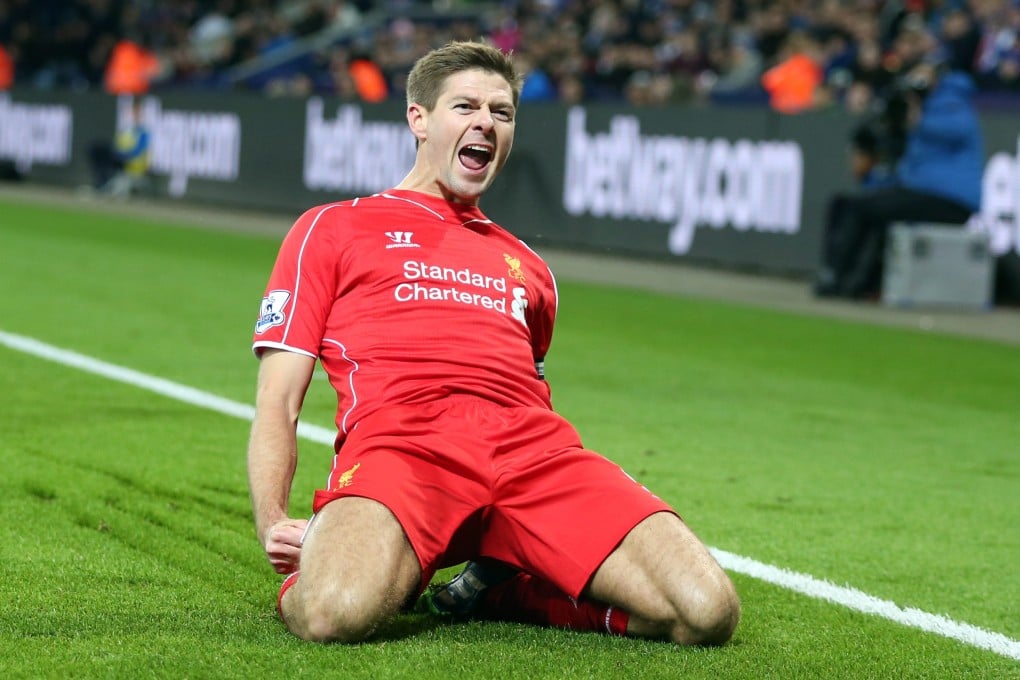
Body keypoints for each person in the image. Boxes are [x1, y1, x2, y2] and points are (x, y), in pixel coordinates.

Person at [247, 40, 740, 645]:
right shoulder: (331, 228)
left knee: (707, 612)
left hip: (532, 456)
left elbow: (533, 386)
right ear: (419, 118)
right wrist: (273, 520)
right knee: (331, 614)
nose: (486, 122)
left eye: (501, 113)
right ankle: (355, 559)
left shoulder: (529, 266)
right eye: (466, 107)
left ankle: (504, 588)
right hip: (405, 452)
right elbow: (278, 399)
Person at [814, 63, 984, 299]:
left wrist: (916, 119)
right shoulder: (920, 107)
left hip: (949, 198)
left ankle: (839, 277)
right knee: (848, 204)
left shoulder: (952, 101)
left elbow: (958, 128)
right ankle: (855, 281)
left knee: (861, 209)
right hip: (922, 192)